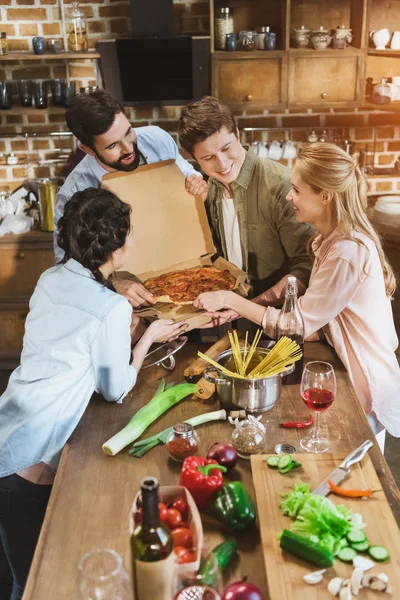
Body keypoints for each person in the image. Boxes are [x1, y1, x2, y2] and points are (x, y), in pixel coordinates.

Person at [0, 188, 187, 600]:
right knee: (32, 584)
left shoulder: (51, 278)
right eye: (130, 232)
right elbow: (116, 388)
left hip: (8, 429)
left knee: (19, 575)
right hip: (30, 466)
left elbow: (72, 344)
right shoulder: (111, 307)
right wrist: (148, 337)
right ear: (115, 248)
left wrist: (122, 332)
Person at [194, 143, 400, 449]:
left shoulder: (346, 252)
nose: (290, 197)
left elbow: (296, 324)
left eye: (298, 190)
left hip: (366, 382)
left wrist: (231, 300)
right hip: (347, 370)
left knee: (355, 480)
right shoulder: (329, 240)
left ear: (325, 196)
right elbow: (322, 314)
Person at [54, 90, 208, 307]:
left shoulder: (157, 139)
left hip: (188, 277)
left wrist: (197, 182)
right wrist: (113, 284)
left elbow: (188, 174)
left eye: (128, 132)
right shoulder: (74, 192)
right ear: (88, 149)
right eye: (112, 145)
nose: (128, 148)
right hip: (122, 302)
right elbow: (66, 269)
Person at [178, 96, 315, 324]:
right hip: (230, 319)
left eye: (226, 148)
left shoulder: (281, 185)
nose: (222, 164)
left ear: (238, 135)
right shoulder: (210, 187)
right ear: (195, 160)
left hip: (279, 321)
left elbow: (307, 268)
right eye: (208, 158)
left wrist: (245, 307)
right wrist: (198, 209)